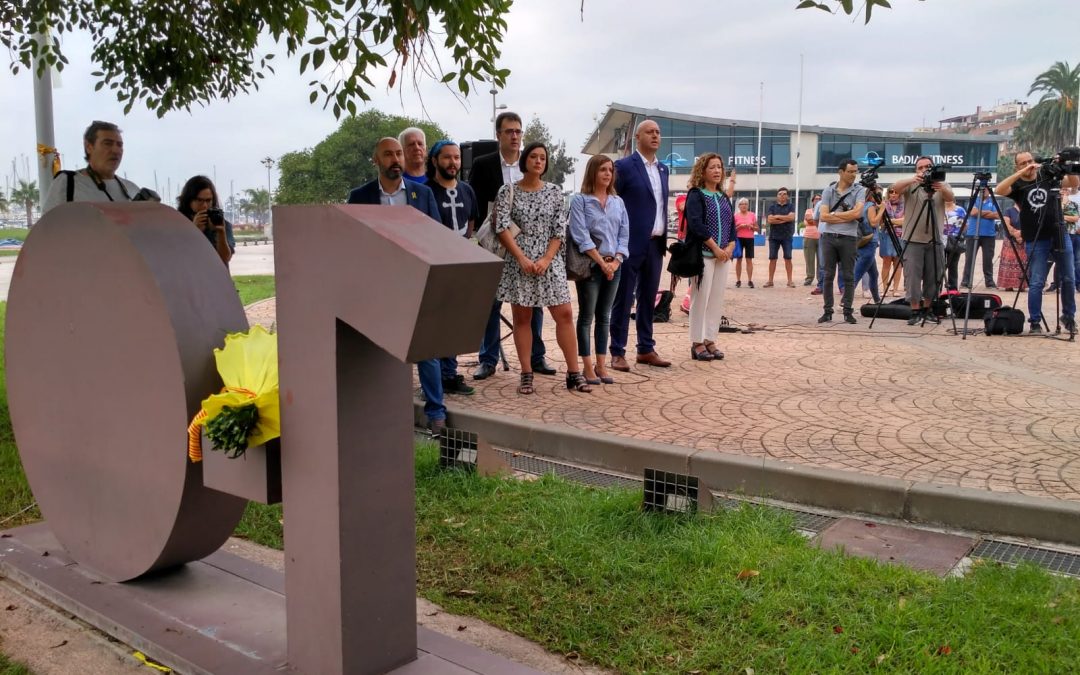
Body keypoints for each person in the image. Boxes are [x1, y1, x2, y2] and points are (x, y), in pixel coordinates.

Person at [346, 137, 449, 432]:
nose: (395, 159)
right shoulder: (360, 196)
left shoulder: (422, 194)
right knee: (380, 349)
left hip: (417, 282)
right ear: (376, 160)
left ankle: (436, 413)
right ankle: (380, 409)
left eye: (398, 154)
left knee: (425, 349)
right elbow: (353, 242)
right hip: (378, 287)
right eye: (388, 155)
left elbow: (437, 237)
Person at [493, 142, 591, 394]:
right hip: (519, 262)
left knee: (565, 314)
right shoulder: (508, 191)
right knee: (522, 318)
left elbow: (559, 229)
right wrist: (522, 258)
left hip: (550, 261)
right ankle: (526, 373)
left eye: (543, 158)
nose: (538, 161)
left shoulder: (555, 192)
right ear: (525, 160)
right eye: (534, 157)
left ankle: (573, 372)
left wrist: (547, 258)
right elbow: (501, 227)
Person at [469, 112, 552, 379]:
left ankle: (536, 358)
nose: (515, 136)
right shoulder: (483, 165)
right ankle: (488, 359)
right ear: (498, 135)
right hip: (494, 244)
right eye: (509, 131)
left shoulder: (530, 163)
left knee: (533, 303)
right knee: (491, 303)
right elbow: (475, 203)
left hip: (529, 247)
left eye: (518, 131)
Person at [610, 119, 672, 370]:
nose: (655, 136)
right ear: (638, 137)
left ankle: (645, 348)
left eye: (658, 132)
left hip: (656, 245)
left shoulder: (663, 169)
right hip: (629, 245)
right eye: (650, 132)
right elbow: (612, 203)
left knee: (649, 299)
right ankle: (617, 351)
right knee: (623, 299)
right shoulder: (624, 167)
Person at [996, 150, 1079, 334]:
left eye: (1030, 161)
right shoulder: (1017, 184)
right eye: (1023, 163)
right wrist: (1022, 172)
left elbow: (1074, 184)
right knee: (1036, 281)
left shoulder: (1047, 175)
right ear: (1017, 166)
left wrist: (1067, 166)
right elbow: (999, 190)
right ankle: (1035, 321)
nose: (1029, 165)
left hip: (1059, 232)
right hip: (1035, 237)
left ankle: (1069, 317)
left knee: (1068, 278)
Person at [567, 155, 629, 385]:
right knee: (586, 316)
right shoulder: (581, 201)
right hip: (591, 266)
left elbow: (624, 234)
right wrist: (602, 262)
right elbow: (580, 235)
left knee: (604, 317)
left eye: (610, 170)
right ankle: (585, 366)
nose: (607, 173)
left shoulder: (618, 202)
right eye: (602, 169)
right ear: (593, 172)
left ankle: (601, 364)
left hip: (615, 265)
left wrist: (616, 261)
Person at [425, 140, 480, 395]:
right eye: (447, 157)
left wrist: (464, 247)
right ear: (435, 160)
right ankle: (435, 378)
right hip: (433, 265)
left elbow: (471, 222)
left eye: (456, 158)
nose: (453, 163)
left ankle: (449, 374)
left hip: (459, 265)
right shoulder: (424, 191)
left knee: (453, 322)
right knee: (434, 323)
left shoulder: (467, 190)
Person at [684, 154, 736, 360]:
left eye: (719, 168)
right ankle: (697, 342)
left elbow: (731, 225)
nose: (717, 171)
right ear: (702, 171)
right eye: (712, 167)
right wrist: (715, 248)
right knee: (700, 298)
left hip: (723, 257)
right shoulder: (696, 194)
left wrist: (730, 246)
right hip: (704, 255)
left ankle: (710, 339)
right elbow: (696, 224)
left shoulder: (723, 197)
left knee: (716, 299)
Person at [889, 156, 953, 326]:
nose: (925, 170)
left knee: (934, 277)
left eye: (928, 166)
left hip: (935, 238)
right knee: (913, 277)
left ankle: (929, 310)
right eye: (921, 167)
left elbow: (950, 197)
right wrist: (914, 179)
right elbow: (894, 189)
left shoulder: (941, 184)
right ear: (916, 170)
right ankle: (915, 310)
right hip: (912, 238)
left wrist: (940, 187)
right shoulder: (912, 184)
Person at [43, 121, 144, 212]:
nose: (116, 150)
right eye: (108, 144)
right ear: (89, 147)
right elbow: (46, 228)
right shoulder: (67, 183)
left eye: (119, 145)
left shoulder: (132, 190)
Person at [817, 159, 865, 324]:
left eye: (855, 172)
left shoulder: (859, 191)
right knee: (828, 275)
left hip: (849, 238)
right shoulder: (828, 191)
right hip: (829, 237)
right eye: (850, 171)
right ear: (841, 172)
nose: (853, 175)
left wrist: (833, 216)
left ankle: (847, 311)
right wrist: (847, 215)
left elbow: (857, 214)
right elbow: (823, 216)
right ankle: (827, 310)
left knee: (849, 276)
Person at [176, 175, 235, 266]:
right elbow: (177, 256)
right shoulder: (177, 224)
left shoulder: (221, 224)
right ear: (188, 200)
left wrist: (221, 233)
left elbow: (225, 259)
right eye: (199, 200)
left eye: (208, 201)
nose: (204, 206)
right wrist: (193, 231)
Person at [962, 187, 998, 289]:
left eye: (986, 189)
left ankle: (989, 282)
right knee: (969, 258)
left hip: (989, 235)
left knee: (988, 259)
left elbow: (997, 215)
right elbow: (973, 213)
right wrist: (988, 213)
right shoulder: (974, 200)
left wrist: (979, 212)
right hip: (972, 233)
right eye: (983, 189)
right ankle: (966, 281)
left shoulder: (993, 201)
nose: (984, 191)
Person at [853, 190, 882, 304]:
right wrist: (882, 209)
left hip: (862, 241)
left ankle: (877, 299)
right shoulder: (870, 206)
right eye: (878, 195)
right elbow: (874, 222)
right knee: (858, 273)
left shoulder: (860, 206)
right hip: (870, 241)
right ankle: (844, 301)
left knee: (874, 274)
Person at [765, 187, 797, 287]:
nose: (782, 195)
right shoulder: (772, 207)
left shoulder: (791, 206)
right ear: (777, 196)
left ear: (787, 196)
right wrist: (785, 219)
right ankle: (770, 281)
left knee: (788, 258)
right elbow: (770, 220)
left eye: (784, 194)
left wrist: (777, 217)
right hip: (774, 237)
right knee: (772, 258)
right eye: (780, 194)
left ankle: (790, 281)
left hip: (787, 236)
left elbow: (791, 217)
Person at [877, 187, 905, 297]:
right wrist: (897, 222)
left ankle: (895, 289)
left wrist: (890, 221)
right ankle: (884, 288)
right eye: (891, 192)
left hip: (901, 235)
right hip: (886, 235)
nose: (893, 194)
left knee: (898, 263)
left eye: (896, 192)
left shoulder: (905, 205)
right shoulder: (883, 204)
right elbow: (880, 222)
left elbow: (906, 221)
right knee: (886, 262)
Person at [996, 202, 1027, 291]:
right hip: (1010, 241)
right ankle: (1008, 285)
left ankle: (1021, 285)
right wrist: (1016, 234)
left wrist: (1022, 234)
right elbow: (1006, 225)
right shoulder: (1008, 211)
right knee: (1008, 263)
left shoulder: (1027, 211)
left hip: (1024, 240)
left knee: (1023, 263)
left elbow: (1031, 224)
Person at [942, 195, 966, 292]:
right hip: (941, 239)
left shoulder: (960, 209)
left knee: (953, 265)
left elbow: (965, 224)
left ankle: (953, 288)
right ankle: (937, 287)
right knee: (940, 265)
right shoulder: (939, 208)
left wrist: (958, 234)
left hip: (955, 240)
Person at [733, 197, 757, 288]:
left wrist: (751, 227)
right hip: (738, 238)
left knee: (749, 260)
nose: (744, 205)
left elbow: (757, 228)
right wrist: (739, 227)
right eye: (742, 204)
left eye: (746, 204)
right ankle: (738, 280)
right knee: (739, 259)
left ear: (748, 205)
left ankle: (750, 280)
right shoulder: (735, 216)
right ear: (739, 206)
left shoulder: (752, 215)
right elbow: (732, 230)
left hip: (749, 238)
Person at [802, 194, 821, 286]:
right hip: (809, 237)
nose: (817, 200)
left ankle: (820, 278)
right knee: (809, 259)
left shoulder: (824, 210)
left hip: (821, 237)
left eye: (819, 199)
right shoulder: (808, 210)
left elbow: (824, 220)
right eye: (816, 199)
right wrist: (819, 220)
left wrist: (813, 220)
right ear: (812, 201)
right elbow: (807, 221)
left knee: (821, 260)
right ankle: (809, 277)